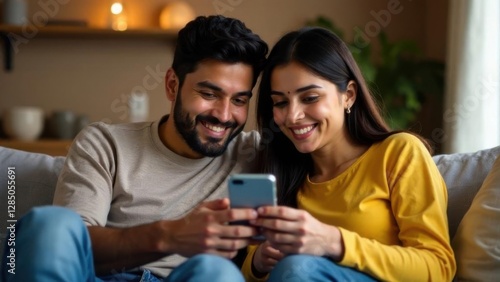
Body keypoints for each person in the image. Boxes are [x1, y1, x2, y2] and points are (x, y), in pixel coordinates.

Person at [1, 15, 268, 282]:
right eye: (209, 94)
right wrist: (171, 235)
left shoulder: (257, 152)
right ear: (172, 85)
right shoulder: (105, 143)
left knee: (218, 272)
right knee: (49, 224)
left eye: (239, 100)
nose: (223, 115)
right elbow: (70, 246)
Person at [241, 27, 456, 281]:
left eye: (310, 97)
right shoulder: (281, 171)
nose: (292, 116)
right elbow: (248, 272)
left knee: (297, 268)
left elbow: (438, 267)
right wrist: (258, 262)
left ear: (349, 95)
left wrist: (334, 242)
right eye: (280, 102)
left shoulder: (399, 152)